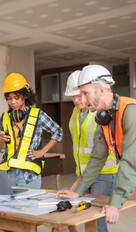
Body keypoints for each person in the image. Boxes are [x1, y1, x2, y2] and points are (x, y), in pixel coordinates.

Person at [56, 64, 136, 225]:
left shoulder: (130, 111)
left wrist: (115, 202)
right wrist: (77, 191)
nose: (82, 100)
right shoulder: (105, 118)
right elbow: (97, 158)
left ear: (101, 90)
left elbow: (129, 160)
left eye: (85, 93)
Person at [59, 70, 118, 232]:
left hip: (104, 173)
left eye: (81, 95)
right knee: (85, 215)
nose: (77, 100)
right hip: (84, 173)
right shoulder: (75, 112)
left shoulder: (100, 114)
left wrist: (75, 187)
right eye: (73, 97)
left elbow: (98, 155)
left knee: (97, 218)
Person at [0, 73, 63, 189]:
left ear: (25, 96)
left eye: (16, 98)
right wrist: (1, 140)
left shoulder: (37, 115)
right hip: (8, 175)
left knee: (29, 206)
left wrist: (42, 151)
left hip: (29, 176)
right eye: (9, 99)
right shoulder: (4, 117)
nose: (13, 102)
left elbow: (58, 132)